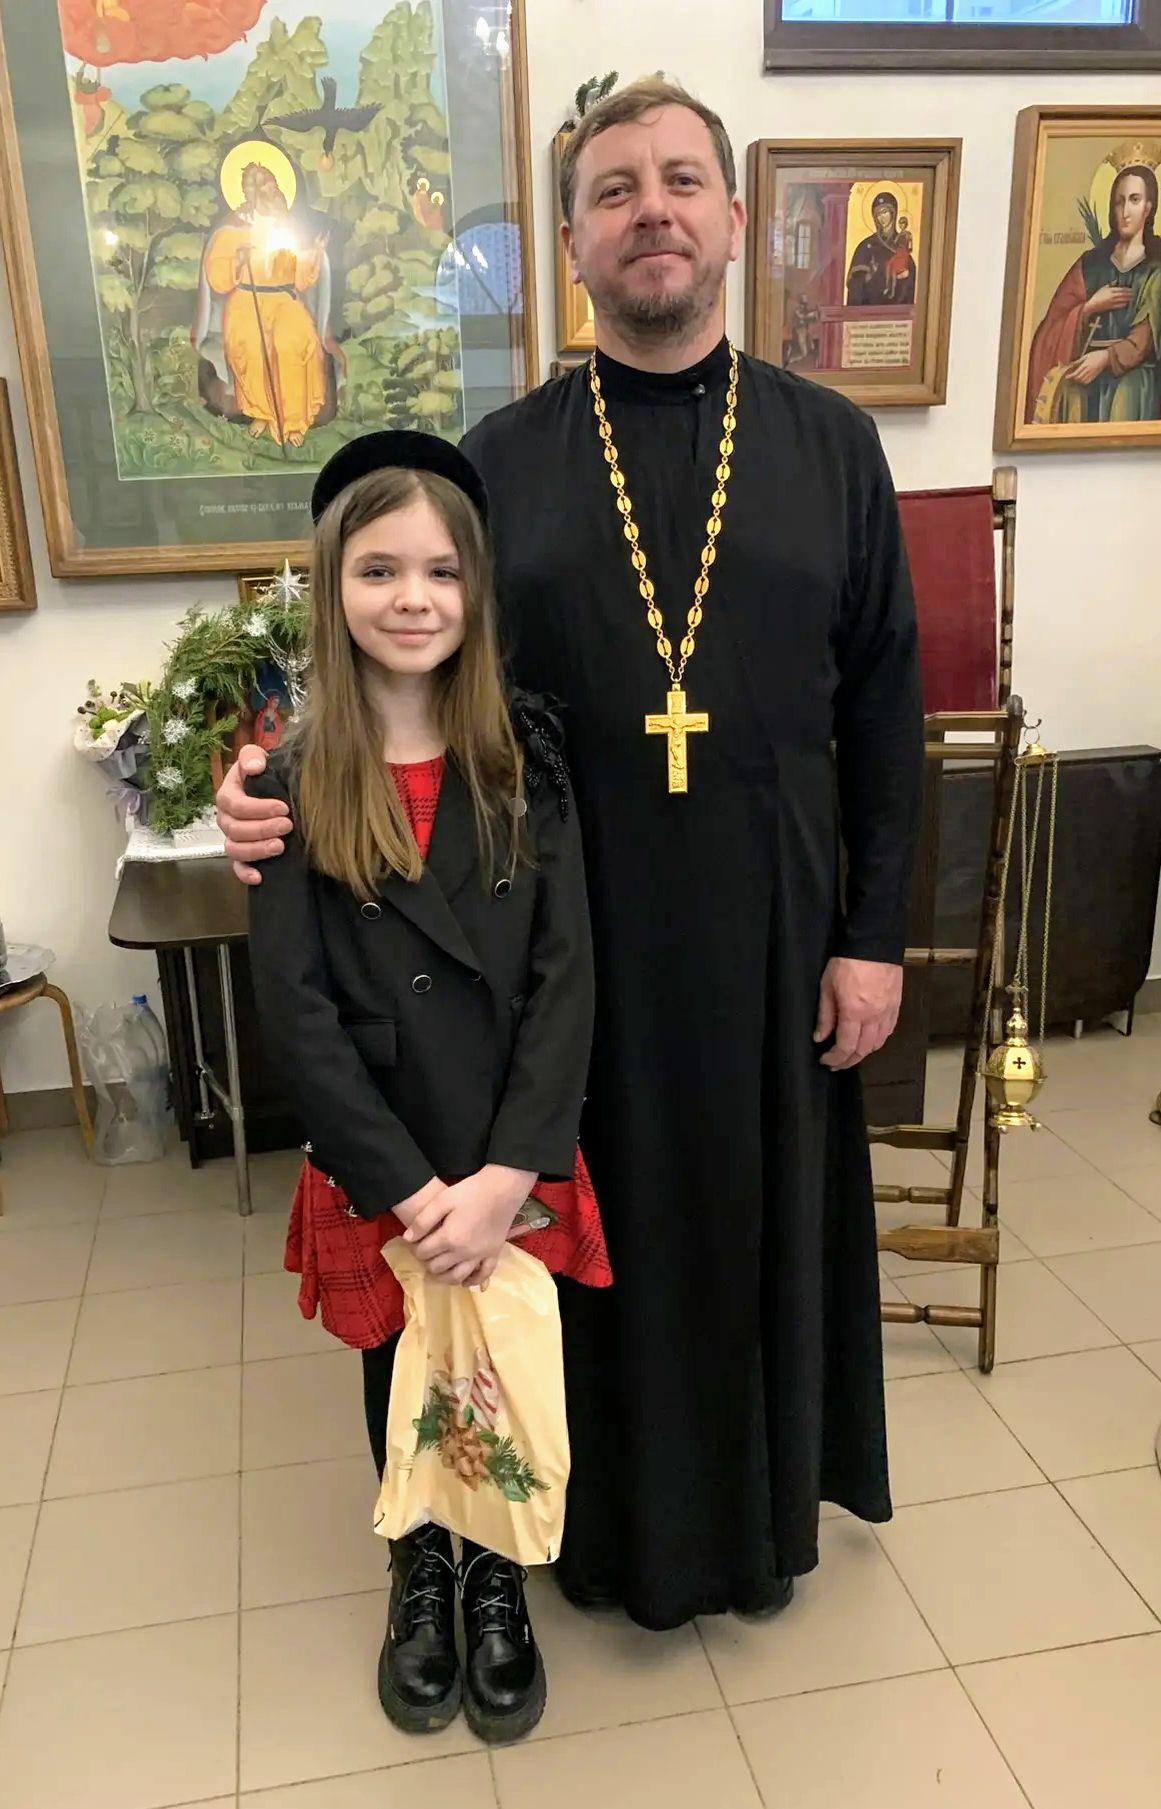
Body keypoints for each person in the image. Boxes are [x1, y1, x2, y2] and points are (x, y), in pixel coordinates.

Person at [218, 76, 924, 1633]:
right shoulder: (503, 459)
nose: (649, 210)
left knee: (747, 1232)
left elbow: (886, 706)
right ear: (572, 240)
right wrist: (263, 781)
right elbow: (397, 666)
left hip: (771, 945)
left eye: (679, 181)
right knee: (568, 1242)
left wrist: (874, 933)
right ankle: (561, 1525)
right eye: (614, 189)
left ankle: (748, 1521)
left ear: (732, 220)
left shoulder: (828, 445)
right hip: (549, 955)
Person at [243, 428, 609, 1742]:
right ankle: (419, 1565)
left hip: (506, 1143)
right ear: (334, 584)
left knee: (504, 1354)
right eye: (380, 570)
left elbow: (568, 973)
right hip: (383, 1154)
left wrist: (510, 1169)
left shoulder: (526, 754)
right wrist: (407, 1188)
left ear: (477, 588)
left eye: (442, 572)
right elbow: (296, 1011)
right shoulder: (289, 777)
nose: (413, 598)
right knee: (396, 1360)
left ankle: (496, 1572)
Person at [193, 154, 330, 445]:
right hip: (246, 302)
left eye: (273, 185)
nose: (272, 192)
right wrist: (237, 260)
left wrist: (315, 253)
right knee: (251, 347)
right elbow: (218, 279)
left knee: (292, 343)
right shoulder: (232, 231)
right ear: (250, 193)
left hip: (285, 301)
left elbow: (302, 279)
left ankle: (293, 421)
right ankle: (262, 412)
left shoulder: (289, 230)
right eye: (263, 186)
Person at [1024, 160, 1161, 427]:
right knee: (1068, 392)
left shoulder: (1156, 267)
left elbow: (1142, 342)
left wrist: (1106, 358)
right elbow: (1049, 330)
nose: (1125, 211)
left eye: (1134, 200)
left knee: (1127, 393)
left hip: (1134, 381)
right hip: (1086, 369)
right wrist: (1088, 307)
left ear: (1148, 207)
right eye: (1119, 201)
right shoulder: (1090, 265)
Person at [846, 190, 915, 308]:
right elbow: (854, 283)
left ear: (893, 213)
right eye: (878, 214)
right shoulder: (866, 246)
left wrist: (906, 275)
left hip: (896, 311)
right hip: (869, 310)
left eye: (885, 212)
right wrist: (869, 276)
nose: (881, 217)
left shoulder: (901, 245)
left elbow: (910, 274)